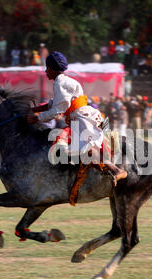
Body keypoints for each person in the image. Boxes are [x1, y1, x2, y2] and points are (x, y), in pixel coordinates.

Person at [26, 51, 127, 186]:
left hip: (81, 119)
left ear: (52, 69)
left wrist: (38, 118)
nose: (45, 71)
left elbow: (59, 109)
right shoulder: (66, 81)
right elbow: (55, 103)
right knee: (83, 147)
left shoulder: (59, 83)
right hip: (84, 116)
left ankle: (115, 170)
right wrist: (35, 109)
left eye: (47, 68)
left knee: (83, 148)